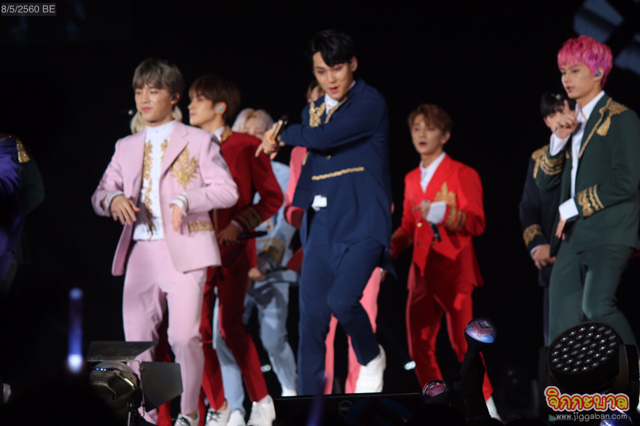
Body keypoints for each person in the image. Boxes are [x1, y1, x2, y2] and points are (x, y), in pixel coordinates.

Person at [91, 58, 238, 426]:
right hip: (141, 251)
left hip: (185, 248)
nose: (144, 99)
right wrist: (113, 199)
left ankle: (189, 414)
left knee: (184, 337)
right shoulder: (126, 145)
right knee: (138, 342)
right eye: (139, 91)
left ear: (173, 96)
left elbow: (227, 190)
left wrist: (187, 199)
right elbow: (100, 193)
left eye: (153, 91)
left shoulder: (199, 140)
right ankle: (149, 415)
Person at [258, 29, 393, 395]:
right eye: (321, 71)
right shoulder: (312, 111)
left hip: (364, 222)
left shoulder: (370, 103)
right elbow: (313, 162)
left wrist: (282, 135)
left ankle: (371, 356)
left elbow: (324, 138)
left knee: (342, 301)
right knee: (311, 324)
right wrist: (299, 211)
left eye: (337, 68)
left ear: (353, 64)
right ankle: (309, 407)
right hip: (322, 227)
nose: (330, 79)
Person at [388, 104, 498, 417]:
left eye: (430, 128)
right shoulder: (411, 178)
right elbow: (408, 226)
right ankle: (438, 409)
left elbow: (477, 222)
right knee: (418, 347)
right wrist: (387, 250)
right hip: (421, 273)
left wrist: (444, 213)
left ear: (445, 135)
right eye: (416, 129)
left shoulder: (462, 173)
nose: (422, 135)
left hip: (454, 270)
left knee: (465, 345)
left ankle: (487, 409)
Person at [188, 76, 282, 426]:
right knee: (194, 334)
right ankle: (219, 407)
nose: (190, 106)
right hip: (195, 253)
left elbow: (273, 197)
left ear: (219, 107)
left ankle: (261, 401)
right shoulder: (186, 146)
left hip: (233, 251)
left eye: (198, 100)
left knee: (230, 328)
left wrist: (239, 224)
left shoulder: (245, 145)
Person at [535, 35, 640, 346]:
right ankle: (572, 380)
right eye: (563, 71)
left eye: (574, 70)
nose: (566, 79)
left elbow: (627, 180)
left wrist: (574, 206)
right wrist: (558, 140)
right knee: (562, 323)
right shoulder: (571, 122)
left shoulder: (622, 117)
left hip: (609, 231)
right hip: (572, 236)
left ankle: (635, 370)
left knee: (597, 307)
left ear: (597, 72)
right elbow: (544, 182)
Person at [518, 90, 568, 345]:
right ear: (546, 121)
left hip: (591, 256)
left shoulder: (589, 150)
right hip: (553, 265)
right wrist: (538, 245)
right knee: (557, 343)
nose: (559, 118)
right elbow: (528, 208)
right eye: (552, 114)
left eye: (563, 110)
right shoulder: (539, 158)